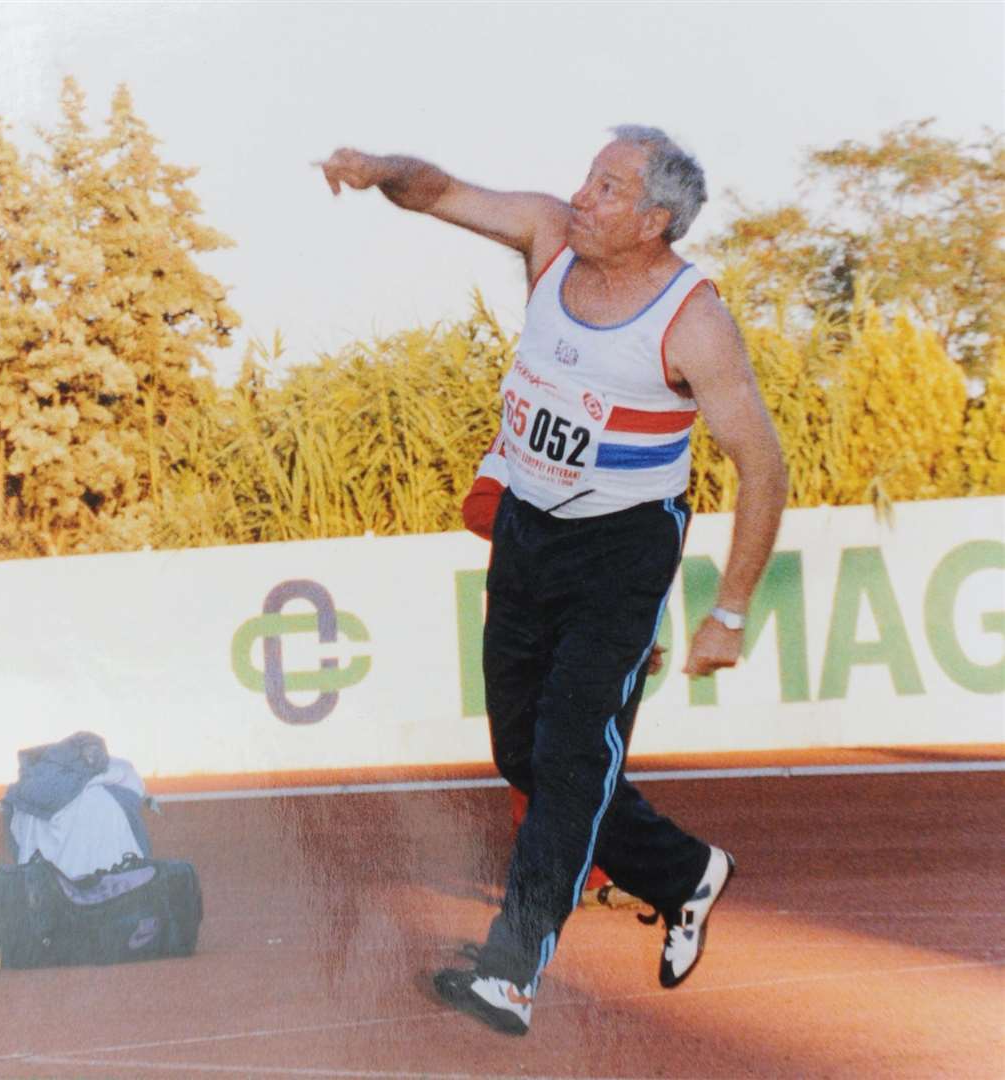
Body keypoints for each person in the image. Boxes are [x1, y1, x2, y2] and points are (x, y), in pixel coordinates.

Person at [322, 127, 787, 1036]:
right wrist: (379, 172)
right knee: (521, 754)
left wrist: (728, 610)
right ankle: (684, 871)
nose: (584, 195)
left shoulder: (691, 318)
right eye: (589, 176)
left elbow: (761, 465)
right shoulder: (548, 235)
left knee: (572, 758)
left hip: (622, 551)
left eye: (608, 188)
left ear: (655, 221)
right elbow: (440, 189)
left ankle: (510, 970)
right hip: (530, 532)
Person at [462, 433, 650, 912]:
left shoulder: (624, 443)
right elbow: (480, 507)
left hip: (594, 612)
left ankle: (589, 873)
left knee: (591, 744)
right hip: (529, 612)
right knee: (538, 748)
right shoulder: (519, 434)